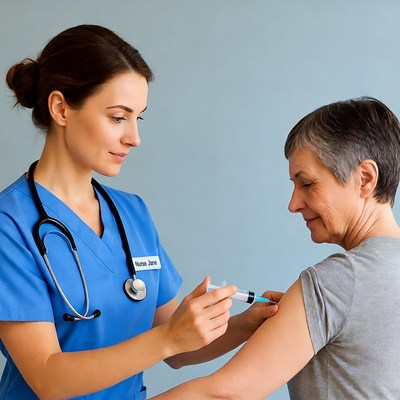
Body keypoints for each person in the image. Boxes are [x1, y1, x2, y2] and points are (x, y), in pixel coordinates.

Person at [0, 24, 280, 400]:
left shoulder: (131, 214)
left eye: (138, 118)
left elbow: (181, 350)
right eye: (118, 117)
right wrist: (167, 338)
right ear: (60, 107)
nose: (134, 137)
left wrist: (247, 323)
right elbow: (48, 377)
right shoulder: (10, 225)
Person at [150, 96, 400, 399]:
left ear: (365, 179)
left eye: (307, 184)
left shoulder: (339, 281)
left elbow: (224, 394)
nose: (293, 204)